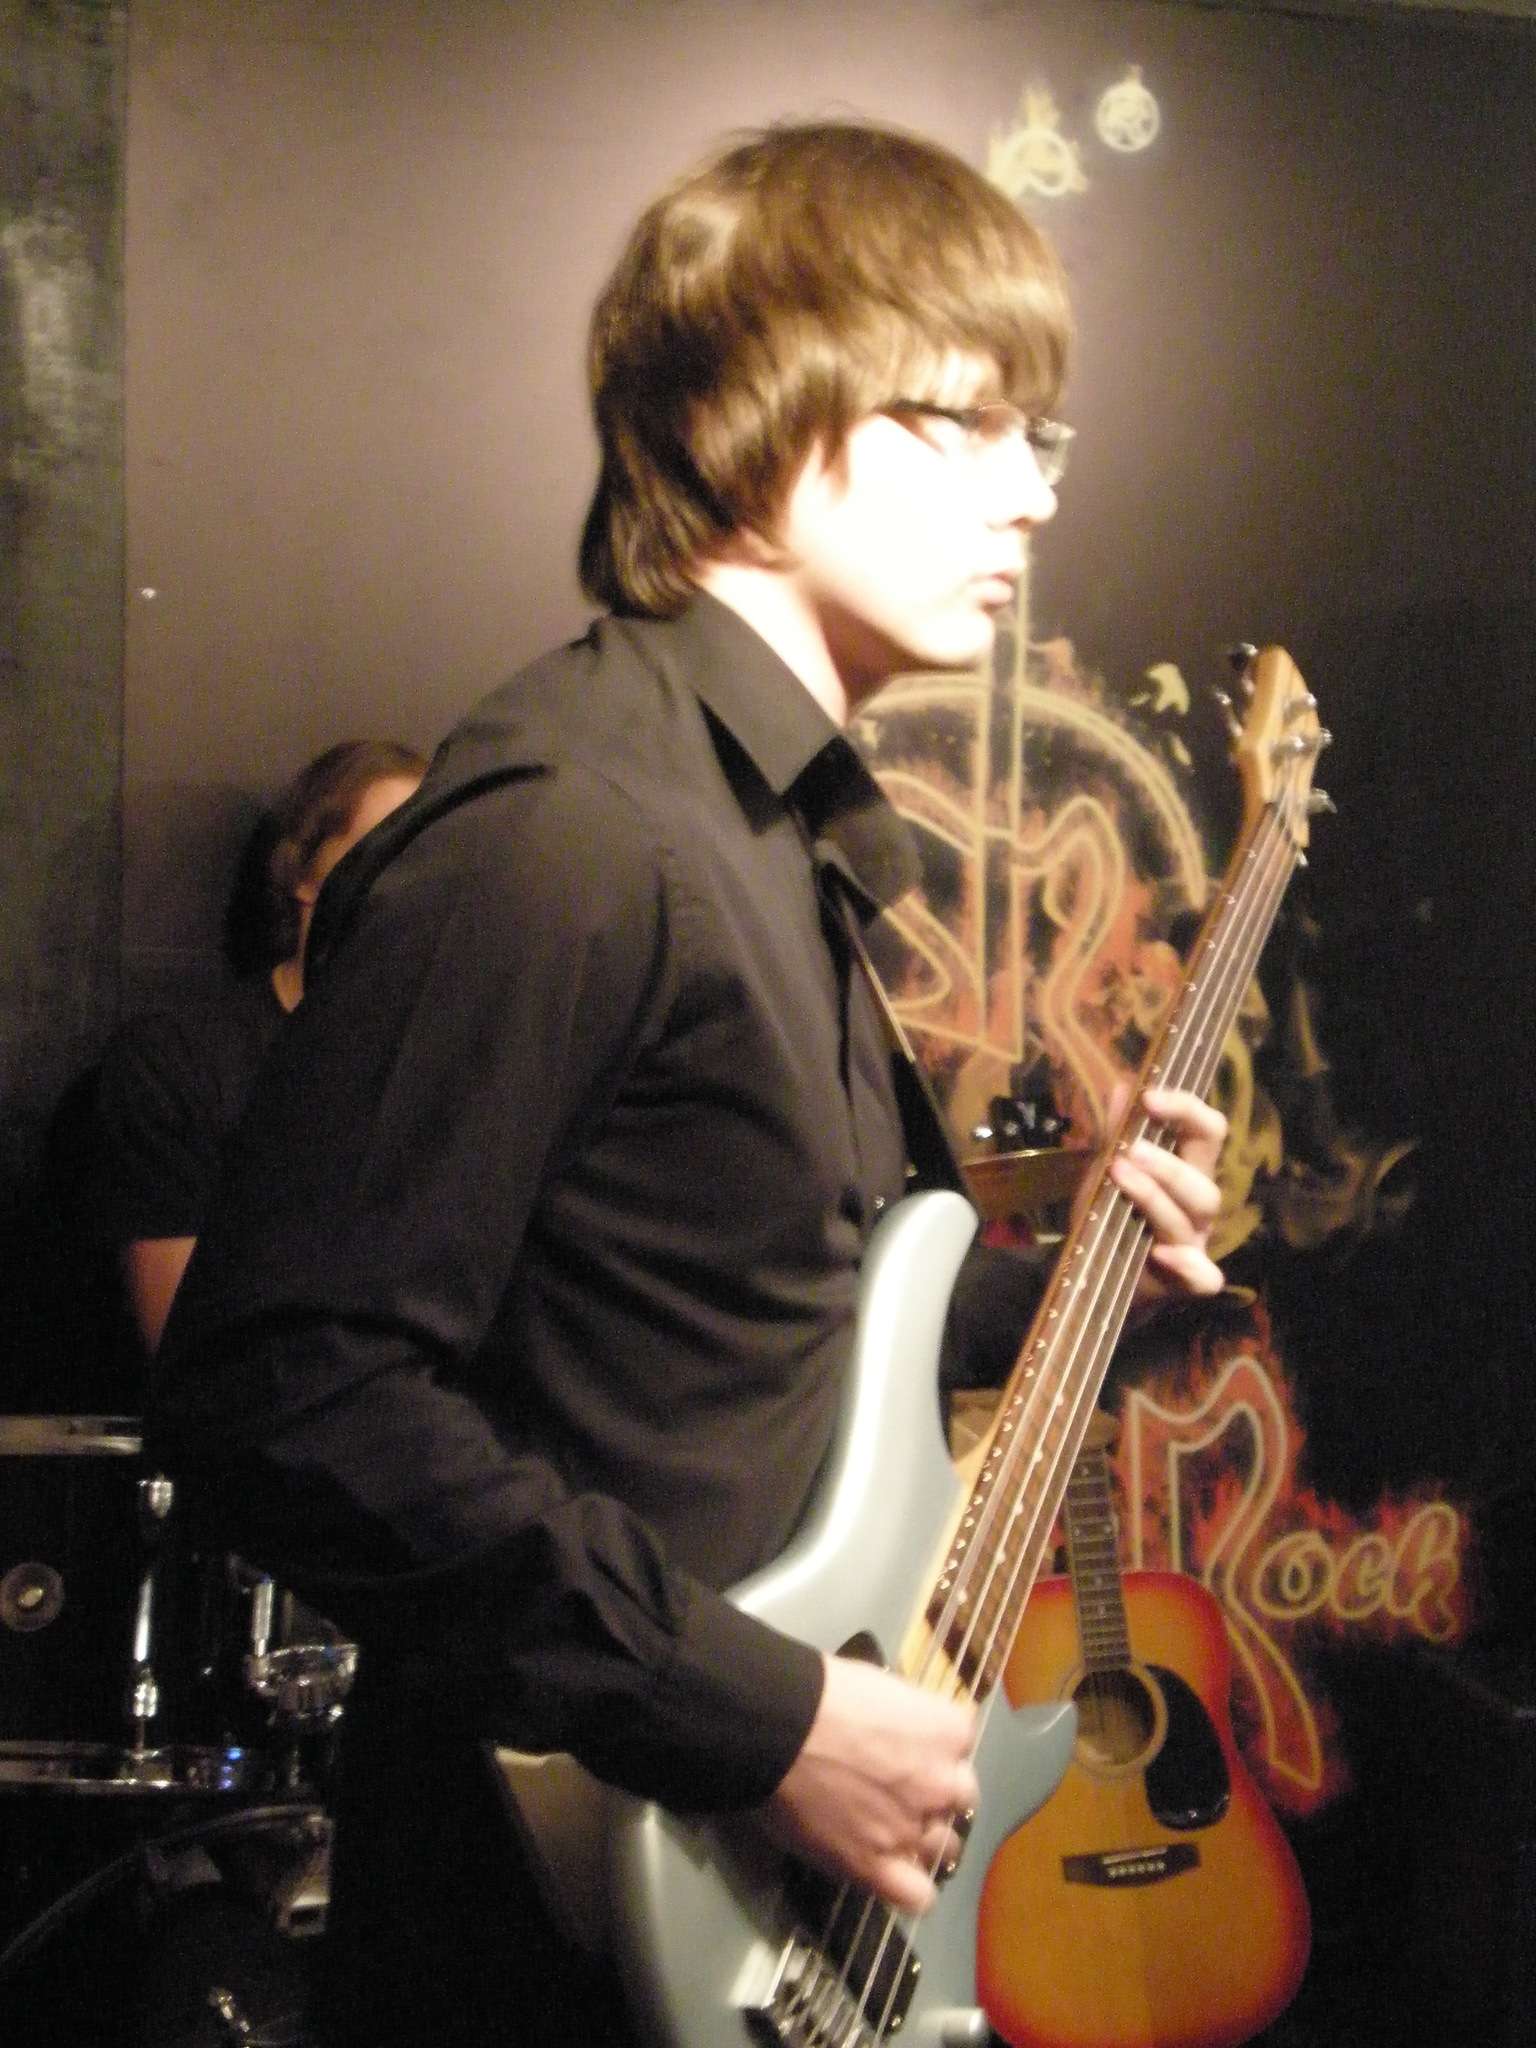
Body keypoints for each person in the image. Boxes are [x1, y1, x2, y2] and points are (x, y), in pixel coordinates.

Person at [149, 121, 1227, 2047]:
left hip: (741, 1916)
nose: (1029, 493)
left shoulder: (766, 837)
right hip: (546, 1932)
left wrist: (1082, 1275)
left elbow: (744, 1323)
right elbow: (284, 1387)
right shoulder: (575, 825)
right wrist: (761, 1714)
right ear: (753, 415)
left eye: (1039, 437)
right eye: (963, 423)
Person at [93, 740, 425, 1358]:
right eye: (381, 850)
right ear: (303, 873)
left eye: (427, 857)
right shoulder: (180, 1061)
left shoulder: (453, 1065)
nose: (404, 882)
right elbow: (187, 1347)